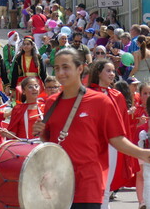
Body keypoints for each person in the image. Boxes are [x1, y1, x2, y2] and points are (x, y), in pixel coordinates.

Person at [33, 48, 150, 208]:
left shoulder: (100, 101)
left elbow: (116, 138)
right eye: (57, 68)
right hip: (57, 183)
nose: (60, 73)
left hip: (88, 184)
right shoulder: (51, 102)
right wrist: (40, 132)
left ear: (80, 68)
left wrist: (141, 153)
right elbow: (50, 141)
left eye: (66, 67)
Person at [88, 59, 136, 209]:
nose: (111, 74)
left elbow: (122, 123)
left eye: (113, 71)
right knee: (92, 182)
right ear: (98, 72)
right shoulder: (87, 94)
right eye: (108, 71)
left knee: (107, 182)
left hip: (112, 144)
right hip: (92, 145)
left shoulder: (117, 95)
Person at [11, 35, 46, 101]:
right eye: (24, 44)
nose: (25, 46)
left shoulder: (38, 57)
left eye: (28, 44)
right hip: (22, 82)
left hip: (36, 82)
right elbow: (15, 73)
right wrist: (13, 89)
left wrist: (46, 85)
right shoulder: (19, 57)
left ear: (32, 46)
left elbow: (43, 73)